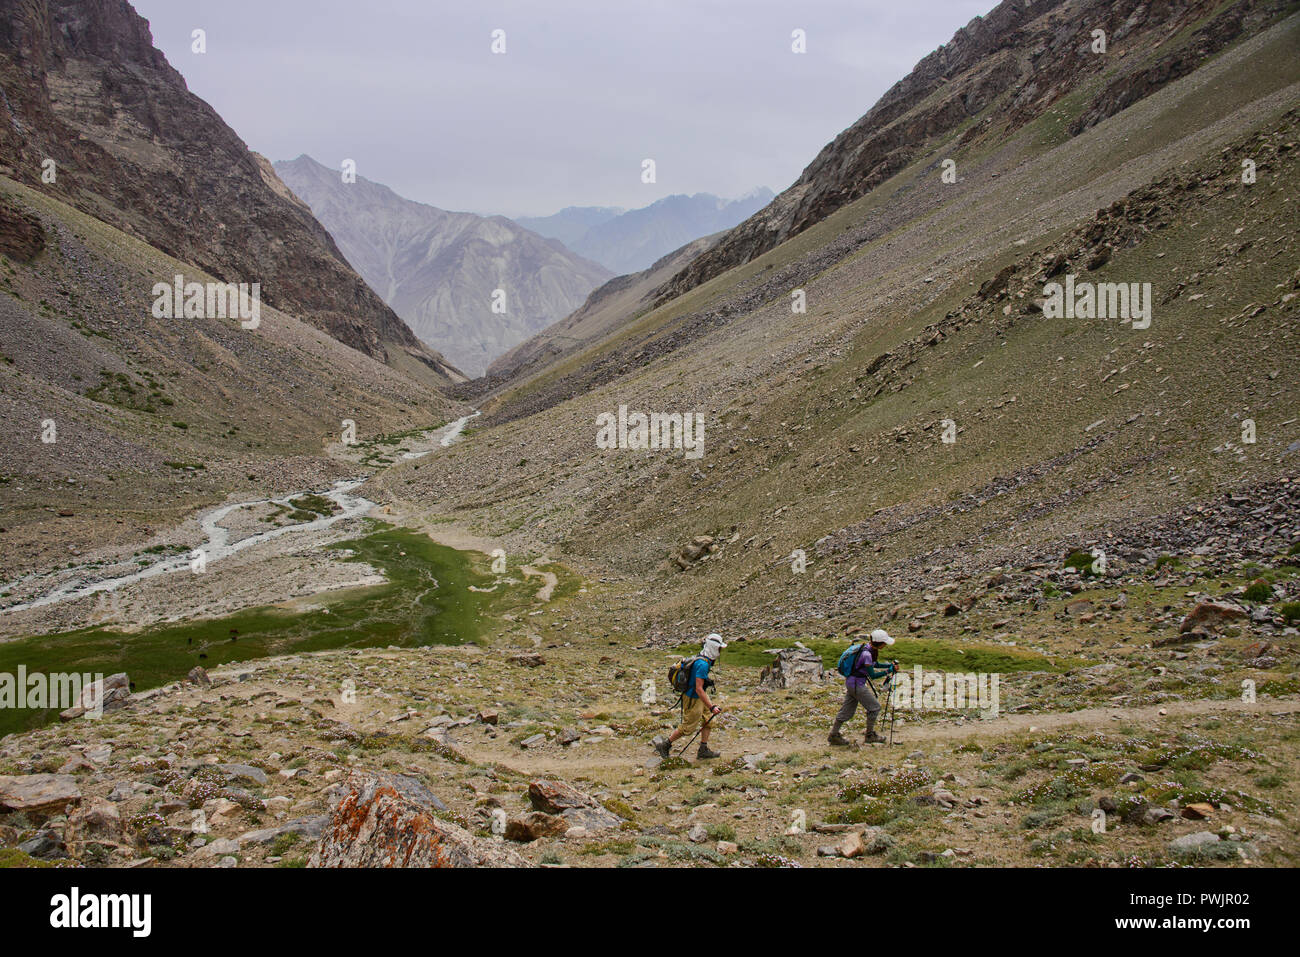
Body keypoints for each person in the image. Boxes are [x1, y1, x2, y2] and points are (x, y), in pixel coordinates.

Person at [654, 633, 725, 760]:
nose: (720, 651)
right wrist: (711, 706)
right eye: (719, 648)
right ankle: (665, 745)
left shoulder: (702, 658)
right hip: (693, 697)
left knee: (709, 719)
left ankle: (703, 749)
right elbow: (698, 688)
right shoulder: (703, 664)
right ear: (714, 648)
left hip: (698, 696)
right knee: (688, 727)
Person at [829, 629, 896, 746]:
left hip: (852, 683)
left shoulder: (866, 649)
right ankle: (870, 736)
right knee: (874, 707)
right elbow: (873, 675)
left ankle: (833, 735)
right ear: (879, 643)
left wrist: (888, 665)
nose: (885, 645)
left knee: (846, 711)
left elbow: (875, 664)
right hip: (857, 685)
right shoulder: (867, 654)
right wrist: (888, 671)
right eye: (884, 643)